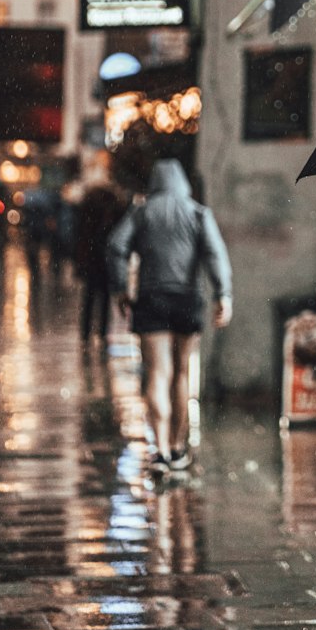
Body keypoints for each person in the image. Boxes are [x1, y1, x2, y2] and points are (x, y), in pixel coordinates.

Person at [108, 159, 232, 474]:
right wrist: (223, 295)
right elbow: (215, 253)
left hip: (151, 300)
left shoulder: (142, 212)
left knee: (157, 374)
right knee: (181, 375)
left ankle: (160, 450)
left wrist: (122, 287)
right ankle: (178, 448)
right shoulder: (198, 213)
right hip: (187, 301)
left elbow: (116, 246)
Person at [75, 179, 126, 344]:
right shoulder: (112, 211)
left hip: (92, 261)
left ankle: (86, 332)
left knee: (90, 297)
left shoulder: (88, 212)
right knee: (103, 298)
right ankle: (101, 332)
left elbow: (81, 238)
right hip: (104, 261)